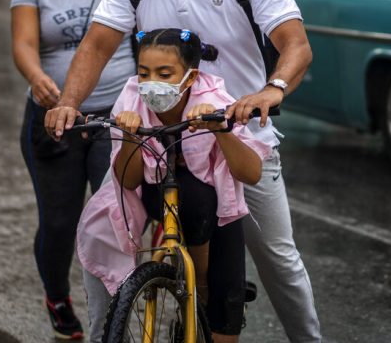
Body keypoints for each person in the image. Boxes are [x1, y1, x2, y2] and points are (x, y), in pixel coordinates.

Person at [45, 0, 321, 342]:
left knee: (278, 259)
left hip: (237, 141)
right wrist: (69, 102)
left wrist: (270, 90)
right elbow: (96, 45)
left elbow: (295, 44)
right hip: (156, 142)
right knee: (101, 236)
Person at [78, 28, 271, 342]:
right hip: (157, 194)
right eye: (144, 73)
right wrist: (130, 137)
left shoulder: (215, 100)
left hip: (217, 213)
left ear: (191, 76)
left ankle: (205, 287)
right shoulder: (130, 98)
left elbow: (251, 174)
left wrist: (220, 128)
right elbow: (128, 180)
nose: (152, 82)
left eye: (164, 74)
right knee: (183, 202)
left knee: (224, 321)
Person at [10, 0, 134, 340]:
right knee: (60, 221)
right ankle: (58, 297)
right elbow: (23, 43)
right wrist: (36, 77)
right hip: (53, 122)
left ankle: (115, 308)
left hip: (113, 119)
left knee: (111, 219)